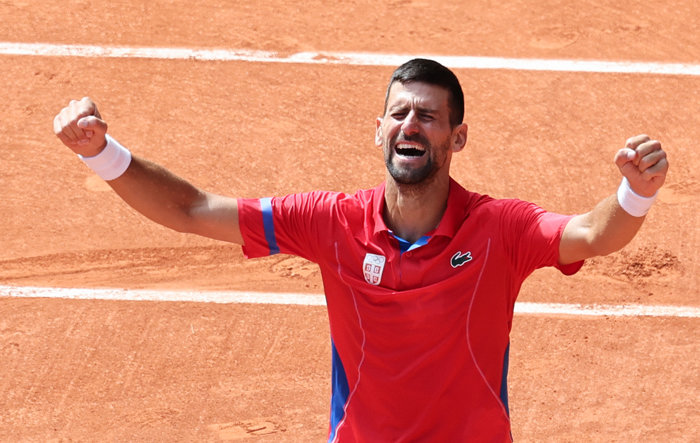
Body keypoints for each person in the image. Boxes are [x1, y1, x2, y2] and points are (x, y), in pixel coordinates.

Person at [53, 58, 668, 442]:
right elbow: (190, 209)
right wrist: (100, 153)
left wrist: (633, 193)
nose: (411, 125)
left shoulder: (498, 228)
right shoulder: (330, 222)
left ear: (457, 138)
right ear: (378, 130)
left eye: (428, 117)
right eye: (399, 113)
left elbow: (592, 234)